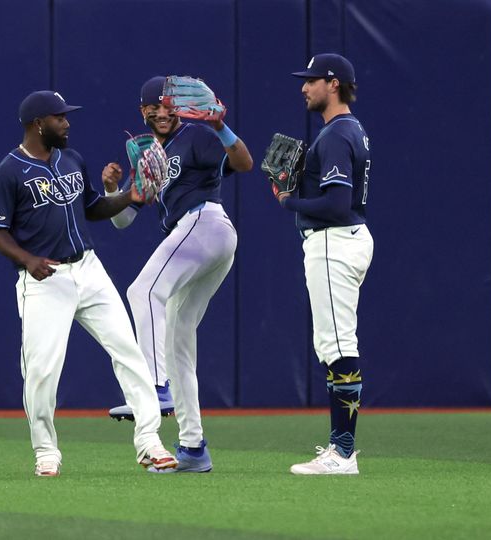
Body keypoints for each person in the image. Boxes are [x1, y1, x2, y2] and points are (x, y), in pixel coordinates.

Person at [0, 90, 177, 477]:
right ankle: (46, 451)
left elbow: (90, 207)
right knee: (41, 370)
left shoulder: (71, 158)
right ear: (38, 123)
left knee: (129, 351)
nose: (67, 123)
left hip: (89, 269)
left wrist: (128, 196)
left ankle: (149, 441)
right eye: (60, 117)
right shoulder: (8, 172)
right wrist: (27, 260)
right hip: (44, 279)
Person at [103, 76, 253, 472]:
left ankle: (155, 387)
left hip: (205, 222)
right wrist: (114, 190)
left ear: (180, 109)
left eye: (169, 107)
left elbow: (244, 163)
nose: (162, 113)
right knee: (177, 339)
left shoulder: (197, 136)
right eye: (154, 108)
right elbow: (124, 220)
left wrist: (220, 126)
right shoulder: (148, 154)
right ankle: (193, 447)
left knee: (142, 291)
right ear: (143, 112)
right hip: (202, 241)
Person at [273, 54, 373, 475]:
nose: (304, 87)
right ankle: (340, 447)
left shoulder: (335, 135)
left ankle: (343, 452)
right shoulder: (352, 130)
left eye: (311, 80)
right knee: (332, 343)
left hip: (334, 242)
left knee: (337, 345)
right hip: (344, 240)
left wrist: (289, 199)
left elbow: (335, 204)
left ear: (333, 84)